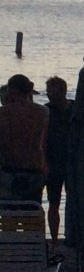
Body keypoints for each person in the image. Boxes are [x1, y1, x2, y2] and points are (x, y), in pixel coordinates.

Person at [0, 74, 48, 203]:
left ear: (12, 90)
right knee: (32, 210)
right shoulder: (43, 112)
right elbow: (44, 142)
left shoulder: (3, 113)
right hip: (35, 168)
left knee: (9, 211)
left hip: (10, 169)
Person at [44, 76, 73, 251]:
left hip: (72, 163)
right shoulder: (45, 111)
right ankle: (55, 241)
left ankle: (72, 236)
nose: (49, 95)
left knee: (74, 202)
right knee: (53, 203)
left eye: (52, 91)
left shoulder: (75, 108)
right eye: (48, 91)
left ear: (62, 91)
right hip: (53, 164)